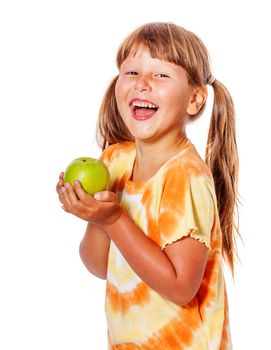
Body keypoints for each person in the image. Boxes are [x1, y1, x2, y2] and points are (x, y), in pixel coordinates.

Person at [56, 22, 240, 349]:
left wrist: (114, 219)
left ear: (195, 99)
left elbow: (181, 287)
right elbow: (99, 266)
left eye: (161, 75)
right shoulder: (114, 162)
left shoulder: (186, 176)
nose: (142, 84)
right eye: (131, 73)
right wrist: (97, 218)